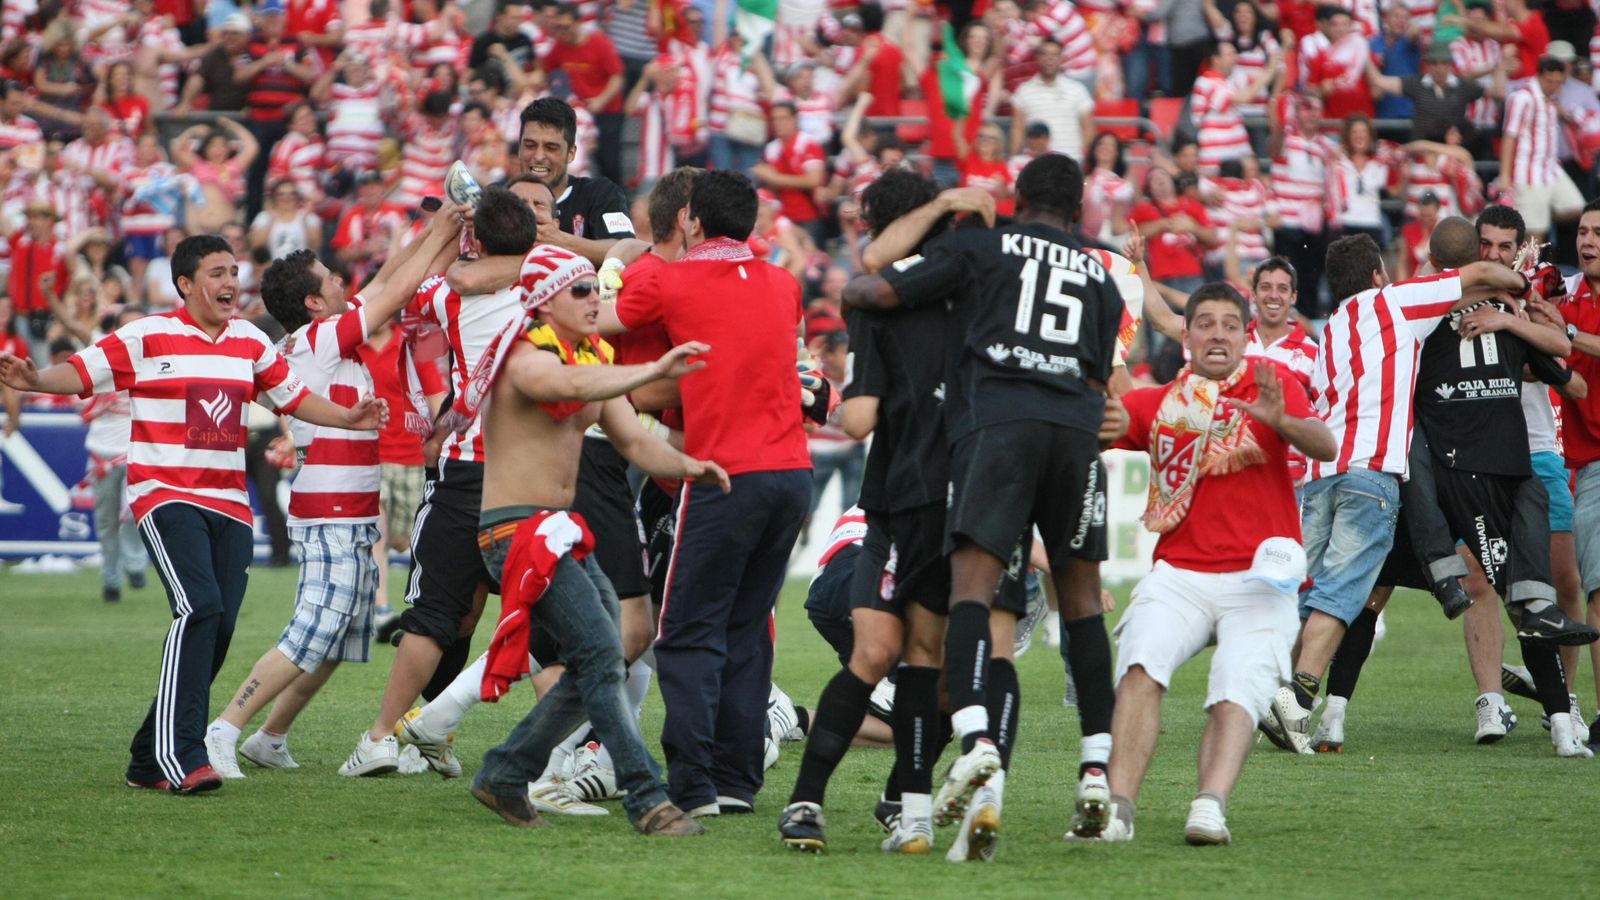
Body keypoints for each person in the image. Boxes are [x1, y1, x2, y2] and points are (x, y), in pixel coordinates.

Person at [0, 234, 388, 795]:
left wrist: (348, 418)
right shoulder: (148, 334)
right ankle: (182, 755)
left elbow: (293, 396)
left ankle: (144, 758)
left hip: (229, 505)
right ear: (185, 284)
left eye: (234, 271)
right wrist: (35, 380)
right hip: (166, 495)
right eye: (217, 272)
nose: (231, 282)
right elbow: (83, 373)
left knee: (218, 628)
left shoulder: (251, 342)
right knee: (198, 607)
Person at [844, 153, 1126, 842]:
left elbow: (868, 288)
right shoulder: (1103, 275)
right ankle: (1095, 769)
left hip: (998, 430)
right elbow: (1101, 390)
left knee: (971, 587)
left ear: (1017, 198)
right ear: (1079, 207)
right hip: (1075, 437)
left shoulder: (984, 245)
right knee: (1083, 599)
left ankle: (976, 741)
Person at [1260, 232, 1583, 754]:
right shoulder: (1395, 304)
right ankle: (1297, 700)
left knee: (1326, 593)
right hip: (1378, 476)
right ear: (1376, 276)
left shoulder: (1332, 327)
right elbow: (1484, 282)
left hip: (1323, 475)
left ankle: (1294, 700)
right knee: (1345, 596)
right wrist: (1520, 284)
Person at [781, 173, 1006, 859]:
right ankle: (855, 802)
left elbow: (856, 420)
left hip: (917, 499)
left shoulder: (884, 297)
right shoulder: (955, 289)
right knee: (909, 658)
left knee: (896, 658)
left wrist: (820, 391)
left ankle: (860, 805)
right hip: (936, 499)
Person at [466, 242, 725, 837]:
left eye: (597, 289)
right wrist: (655, 369)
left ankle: (505, 773)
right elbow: (571, 383)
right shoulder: (528, 357)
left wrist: (694, 466)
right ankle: (648, 799)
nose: (596, 300)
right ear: (543, 301)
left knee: (602, 656)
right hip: (516, 532)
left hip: (553, 532)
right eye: (580, 290)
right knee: (603, 655)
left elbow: (635, 443)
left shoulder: (589, 358)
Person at [203, 205, 464, 779]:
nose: (348, 283)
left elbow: (388, 278)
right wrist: (445, 231)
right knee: (310, 634)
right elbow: (393, 290)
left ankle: (269, 738)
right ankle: (221, 729)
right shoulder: (321, 339)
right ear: (316, 302)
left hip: (350, 510)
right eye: (334, 279)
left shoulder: (322, 338)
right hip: (332, 513)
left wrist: (434, 233)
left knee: (337, 641)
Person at [1092, 283, 1334, 844]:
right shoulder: (1156, 403)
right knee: (1139, 668)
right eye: (1205, 323)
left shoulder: (1274, 386)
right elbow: (1096, 424)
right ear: (1186, 334)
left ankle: (1208, 807)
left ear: (1246, 335)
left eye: (1230, 323)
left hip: (1261, 580)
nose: (1218, 333)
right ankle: (1119, 809)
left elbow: (1324, 444)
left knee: (1236, 687)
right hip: (1179, 574)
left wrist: (1285, 421)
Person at [601, 170, 812, 817]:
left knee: (689, 631)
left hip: (725, 471)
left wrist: (613, 262)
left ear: (690, 221)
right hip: (793, 473)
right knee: (748, 629)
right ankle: (736, 780)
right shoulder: (784, 284)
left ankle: (692, 787)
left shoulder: (670, 278)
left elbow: (604, 319)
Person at [339, 186, 544, 778]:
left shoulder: (451, 296)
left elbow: (396, 288)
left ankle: (380, 736)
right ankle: (556, 752)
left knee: (434, 614)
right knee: (546, 618)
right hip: (534, 474)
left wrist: (443, 236)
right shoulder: (555, 286)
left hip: (464, 472)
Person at [1555, 198, 1600, 741]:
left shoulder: (1567, 314)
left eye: (1598, 232)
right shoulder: (1566, 298)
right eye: (1584, 231)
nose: (1587, 241)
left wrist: (1562, 333)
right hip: (1585, 465)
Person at [1500, 57, 1587, 242]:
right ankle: (1524, 270)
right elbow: (1509, 137)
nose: (1554, 86)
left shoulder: (1552, 98)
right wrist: (1505, 175)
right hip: (1528, 173)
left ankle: (1535, 216)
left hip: (1551, 169)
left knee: (1581, 208)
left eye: (1558, 82)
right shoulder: (1522, 98)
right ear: (1539, 76)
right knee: (1535, 236)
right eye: (1550, 81)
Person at [1008, 40, 1093, 164]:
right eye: (1045, 54)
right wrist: (1013, 159)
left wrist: (1088, 162)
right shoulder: (1023, 91)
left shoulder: (1078, 90)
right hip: (1036, 164)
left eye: (1054, 55)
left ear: (1062, 59)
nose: (1049, 59)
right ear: (1037, 58)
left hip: (1071, 163)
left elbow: (1088, 129)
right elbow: (1017, 130)